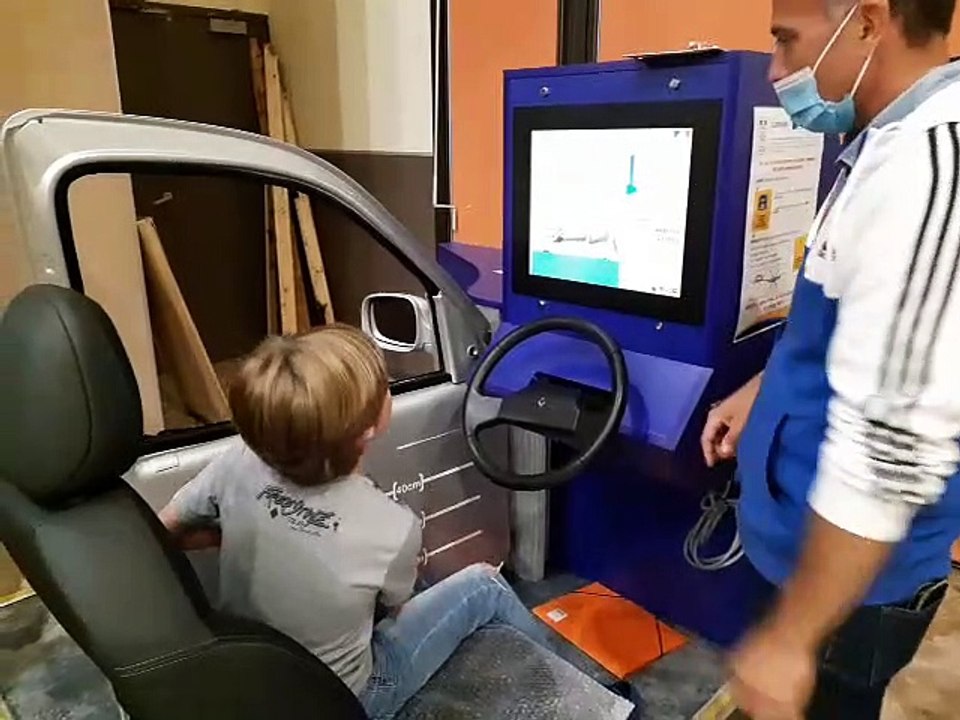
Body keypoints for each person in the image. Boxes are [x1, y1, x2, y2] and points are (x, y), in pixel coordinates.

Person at [701, 2, 960, 718]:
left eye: (786, 42)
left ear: (869, 23)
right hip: (799, 551)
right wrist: (765, 388)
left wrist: (793, 638)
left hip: (851, 597)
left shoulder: (933, 169)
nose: (776, 71)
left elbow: (894, 443)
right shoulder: (880, 145)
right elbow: (846, 327)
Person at [159, 326, 550, 719]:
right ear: (368, 428)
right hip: (348, 701)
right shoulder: (392, 527)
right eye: (384, 387)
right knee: (484, 585)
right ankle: (568, 687)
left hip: (251, 677)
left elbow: (167, 527)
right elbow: (396, 609)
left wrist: (244, 533)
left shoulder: (236, 460)